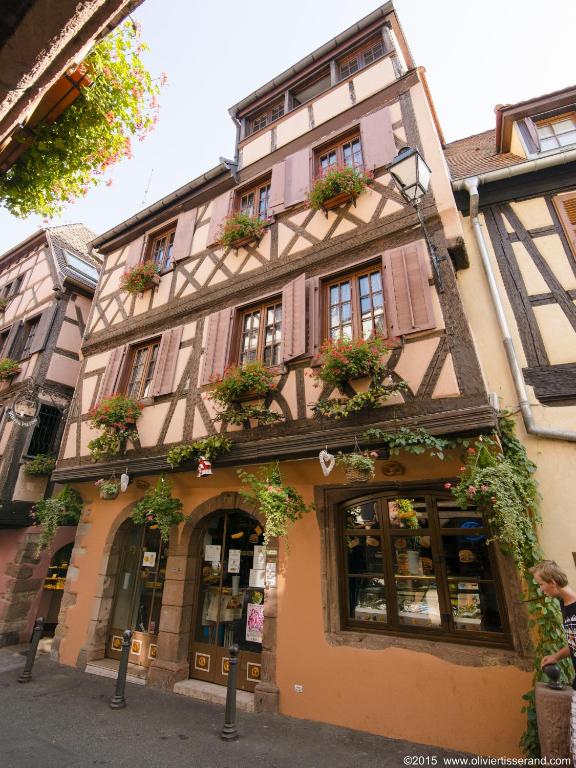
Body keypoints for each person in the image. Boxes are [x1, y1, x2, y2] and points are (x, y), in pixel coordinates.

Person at [532, 560, 576, 758]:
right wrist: (555, 656)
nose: (541, 590)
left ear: (553, 583)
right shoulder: (563, 603)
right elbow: (573, 641)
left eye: (541, 584)